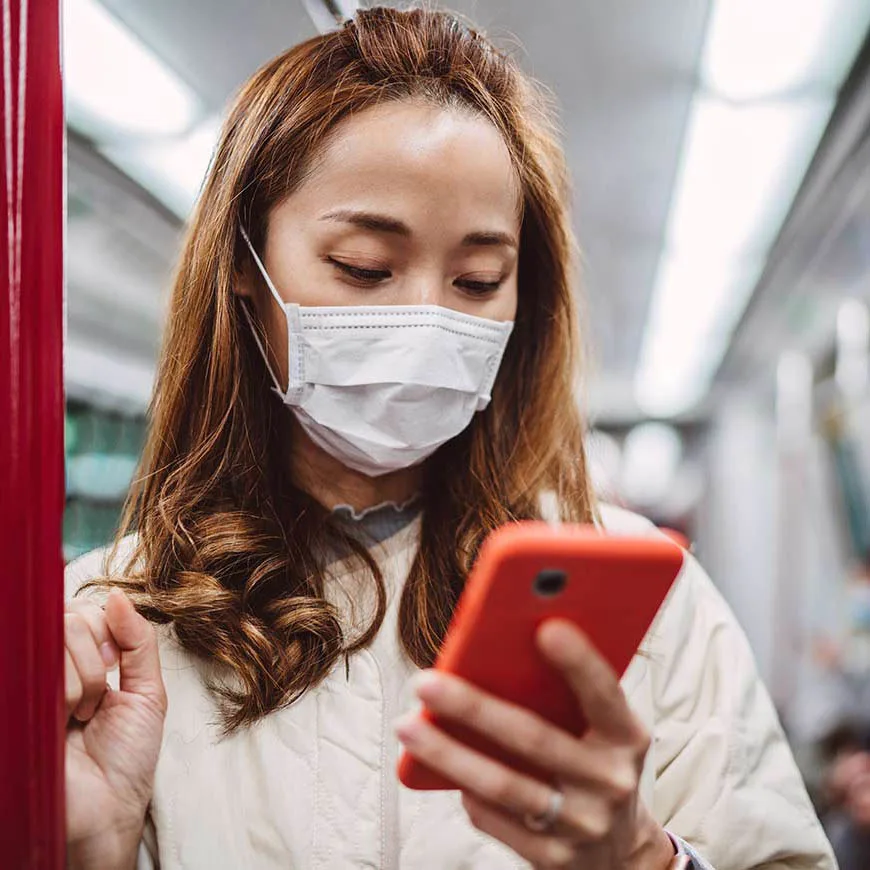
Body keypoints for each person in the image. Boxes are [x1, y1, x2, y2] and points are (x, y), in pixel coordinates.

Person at [64, 8, 835, 869]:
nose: (424, 320)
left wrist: (645, 862)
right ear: (245, 267)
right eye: (363, 266)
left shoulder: (643, 605)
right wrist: (88, 852)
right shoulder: (113, 620)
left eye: (478, 280)